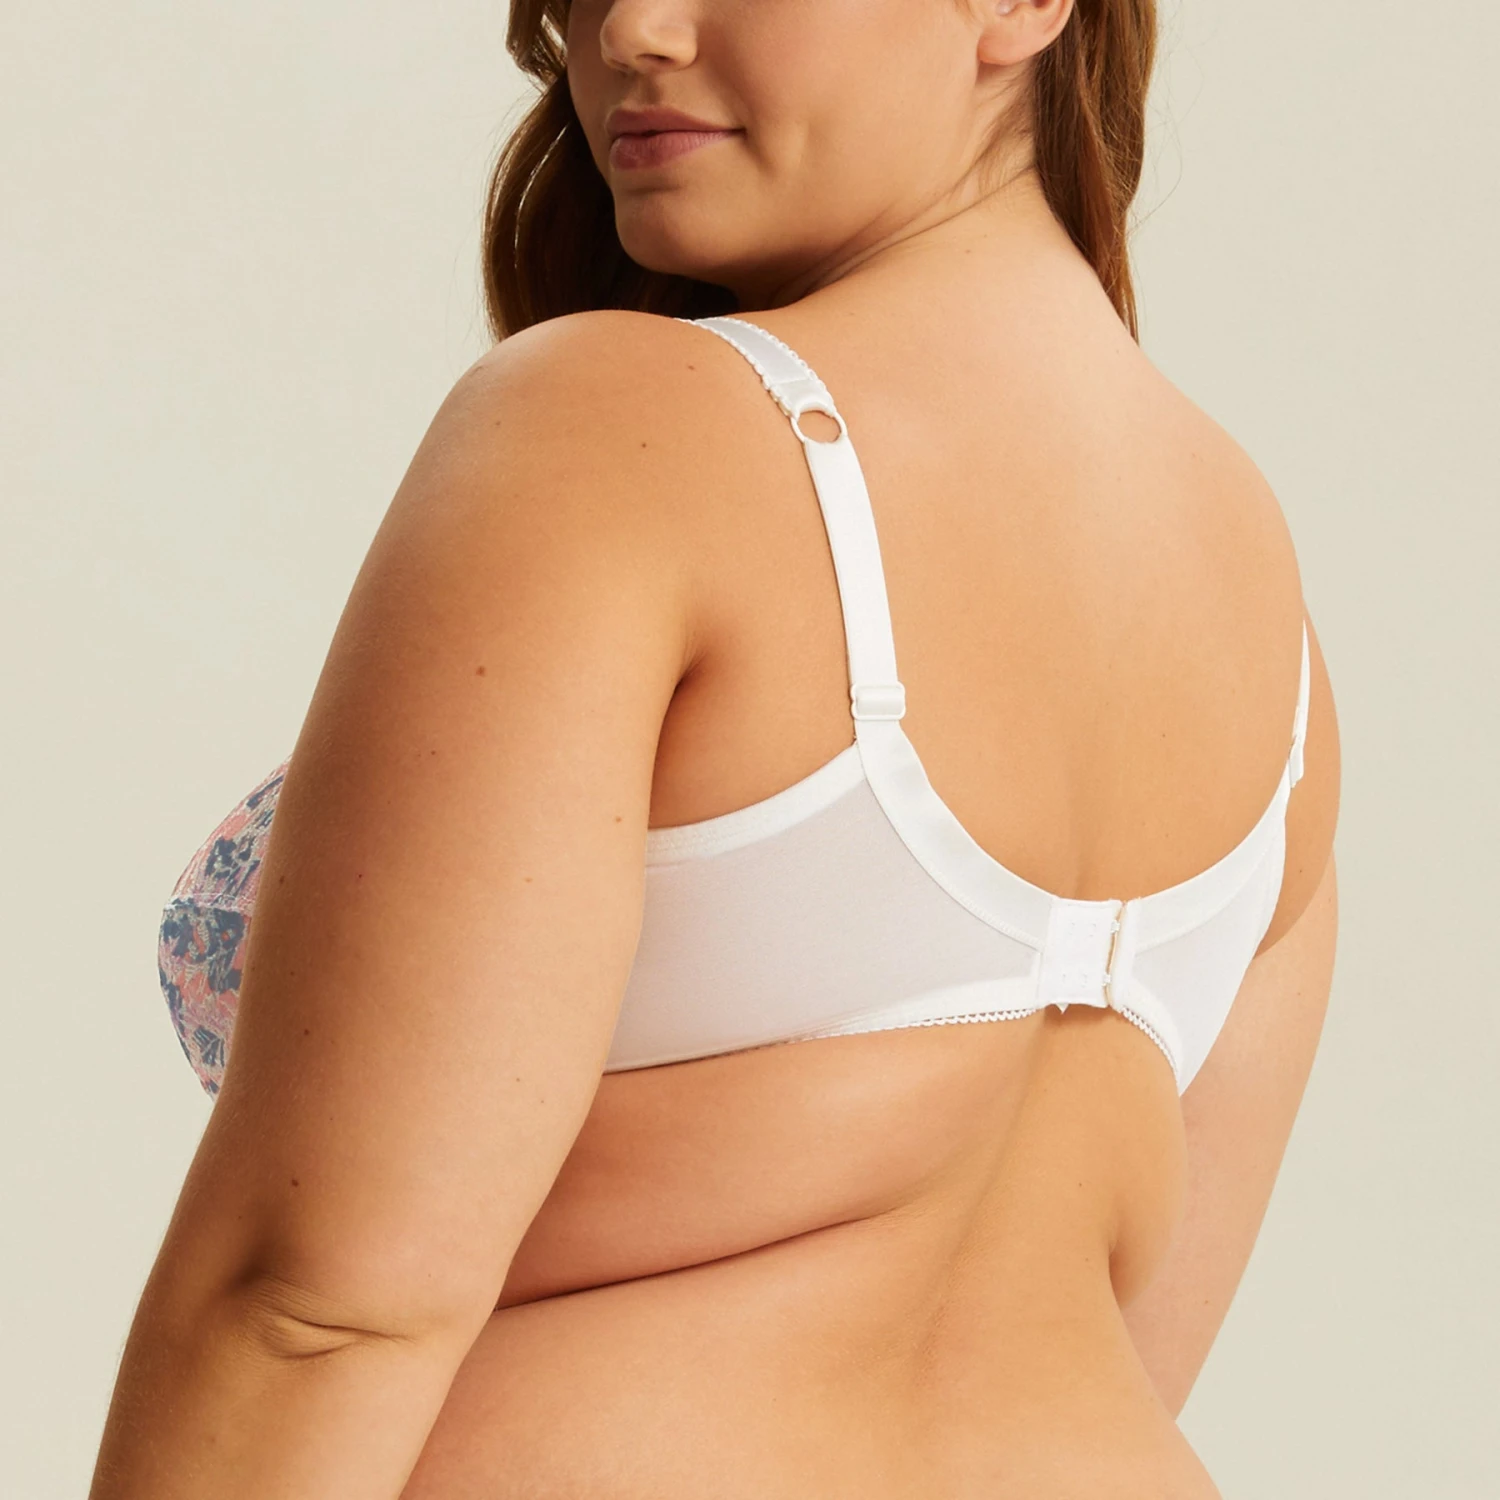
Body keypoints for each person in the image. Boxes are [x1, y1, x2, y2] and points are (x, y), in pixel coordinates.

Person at [92, 0, 1342, 1495]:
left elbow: (314, 1309)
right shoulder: (1270, 634)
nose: (631, 28)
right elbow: (1135, 1350)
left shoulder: (624, 430)